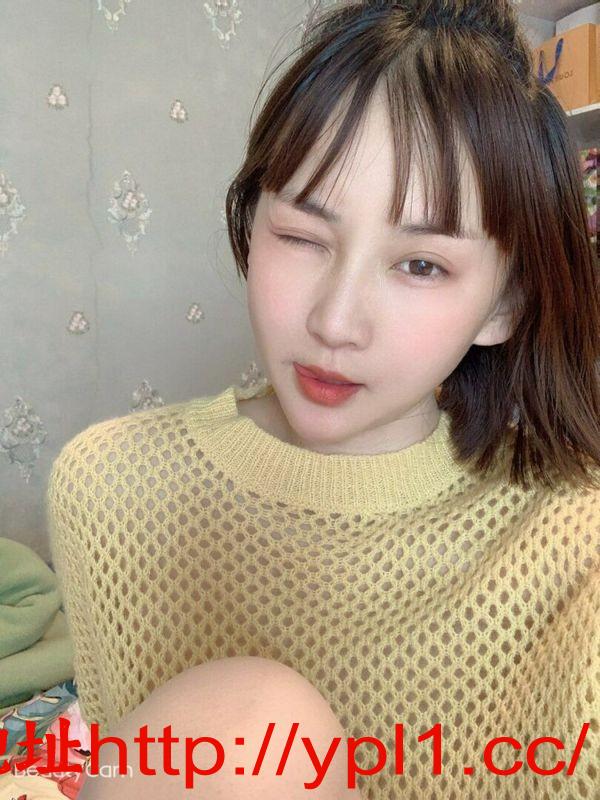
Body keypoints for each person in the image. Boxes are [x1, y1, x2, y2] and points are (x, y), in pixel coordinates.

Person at [46, 1, 600, 798]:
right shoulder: (111, 489)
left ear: (504, 305)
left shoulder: (575, 546)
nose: (334, 323)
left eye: (421, 266)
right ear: (252, 223)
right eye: (303, 237)